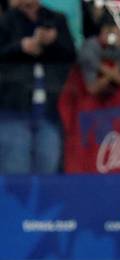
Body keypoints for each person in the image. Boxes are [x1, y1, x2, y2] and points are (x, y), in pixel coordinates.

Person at [0, 0, 75, 174]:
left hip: (50, 111)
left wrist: (53, 41)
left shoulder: (55, 19)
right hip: (13, 110)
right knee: (16, 169)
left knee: (48, 166)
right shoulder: (8, 20)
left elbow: (71, 54)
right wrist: (21, 47)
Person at [78, 13, 120, 97]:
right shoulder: (89, 48)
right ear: (105, 30)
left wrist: (108, 73)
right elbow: (92, 88)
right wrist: (117, 69)